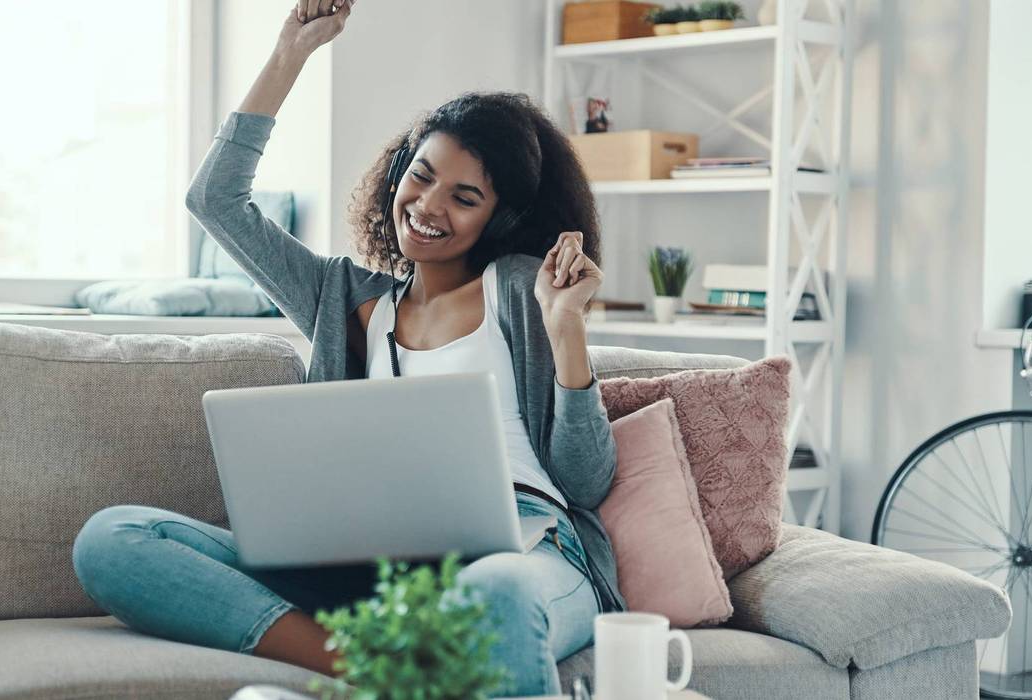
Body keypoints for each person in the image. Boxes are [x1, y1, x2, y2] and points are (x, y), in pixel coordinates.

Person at [70, 1, 622, 695]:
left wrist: (566, 326)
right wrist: (289, 54)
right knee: (114, 539)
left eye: (463, 196)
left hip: (525, 546)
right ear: (397, 173)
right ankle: (365, 663)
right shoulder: (341, 297)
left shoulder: (518, 288)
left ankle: (404, 658)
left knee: (497, 598)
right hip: (371, 564)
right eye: (420, 175)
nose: (427, 206)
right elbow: (216, 200)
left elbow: (586, 482)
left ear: (498, 217)